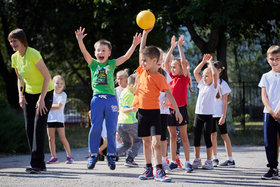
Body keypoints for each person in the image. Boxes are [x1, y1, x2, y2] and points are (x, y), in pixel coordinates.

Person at [75, 27, 141, 170]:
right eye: (98, 50)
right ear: (95, 53)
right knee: (96, 127)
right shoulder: (93, 64)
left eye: (103, 50)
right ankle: (93, 154)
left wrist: (134, 45)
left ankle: (111, 155)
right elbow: (84, 52)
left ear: (109, 53)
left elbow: (126, 57)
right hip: (97, 99)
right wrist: (80, 41)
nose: (100, 53)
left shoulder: (111, 64)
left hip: (111, 99)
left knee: (111, 128)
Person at [133, 29, 183, 182]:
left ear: (154, 61)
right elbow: (142, 50)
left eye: (145, 61)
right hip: (142, 112)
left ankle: (159, 170)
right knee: (146, 142)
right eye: (142, 61)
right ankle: (148, 168)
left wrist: (178, 111)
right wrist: (145, 34)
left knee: (156, 142)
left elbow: (168, 94)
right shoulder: (142, 71)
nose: (142, 63)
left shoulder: (161, 77)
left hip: (155, 113)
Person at [8, 28, 54, 174]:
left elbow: (47, 77)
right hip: (28, 94)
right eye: (10, 41)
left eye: (14, 41)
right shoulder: (14, 57)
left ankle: (36, 165)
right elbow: (19, 79)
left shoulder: (33, 53)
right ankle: (40, 163)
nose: (12, 44)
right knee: (29, 129)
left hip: (45, 93)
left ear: (22, 40)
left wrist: (42, 98)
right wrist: (21, 95)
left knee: (38, 127)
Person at [164, 35, 193, 173]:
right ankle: (174, 161)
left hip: (181, 109)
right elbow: (165, 62)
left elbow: (182, 61)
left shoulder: (184, 78)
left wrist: (180, 47)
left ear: (181, 68)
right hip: (170, 109)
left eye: (175, 66)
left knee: (184, 136)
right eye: (172, 67)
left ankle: (187, 162)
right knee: (173, 137)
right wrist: (172, 47)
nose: (172, 68)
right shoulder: (169, 77)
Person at [192, 54, 218, 170]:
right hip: (199, 114)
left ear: (212, 77)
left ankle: (209, 161)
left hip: (208, 116)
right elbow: (195, 72)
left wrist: (210, 63)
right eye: (204, 76)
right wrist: (203, 62)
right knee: (196, 136)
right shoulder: (201, 85)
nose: (204, 78)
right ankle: (197, 159)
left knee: (208, 137)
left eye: (207, 76)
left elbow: (215, 74)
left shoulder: (214, 87)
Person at [259, 45, 280, 180]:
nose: (274, 61)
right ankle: (272, 168)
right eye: (271, 59)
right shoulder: (266, 76)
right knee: (270, 142)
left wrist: (279, 110)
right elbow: (264, 96)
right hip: (269, 113)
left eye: (277, 58)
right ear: (267, 60)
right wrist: (272, 111)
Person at [210, 61, 235, 167]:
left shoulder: (223, 84)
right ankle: (214, 158)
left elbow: (225, 101)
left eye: (213, 69)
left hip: (220, 115)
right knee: (213, 135)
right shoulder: (209, 83)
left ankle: (230, 160)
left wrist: (223, 116)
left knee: (224, 135)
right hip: (210, 114)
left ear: (219, 71)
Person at [46, 75, 74, 164]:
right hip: (49, 120)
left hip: (59, 120)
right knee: (51, 139)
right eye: (57, 83)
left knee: (62, 138)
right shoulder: (48, 93)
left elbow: (58, 106)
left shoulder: (63, 94)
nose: (59, 85)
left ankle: (69, 156)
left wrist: (47, 106)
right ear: (52, 84)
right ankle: (54, 157)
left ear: (64, 85)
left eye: (61, 83)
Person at [117, 73, 142, 167]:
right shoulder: (129, 94)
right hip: (129, 121)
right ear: (132, 85)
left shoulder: (124, 91)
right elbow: (123, 109)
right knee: (138, 140)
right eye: (138, 85)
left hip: (120, 122)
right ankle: (130, 159)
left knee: (126, 143)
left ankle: (112, 154)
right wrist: (132, 109)